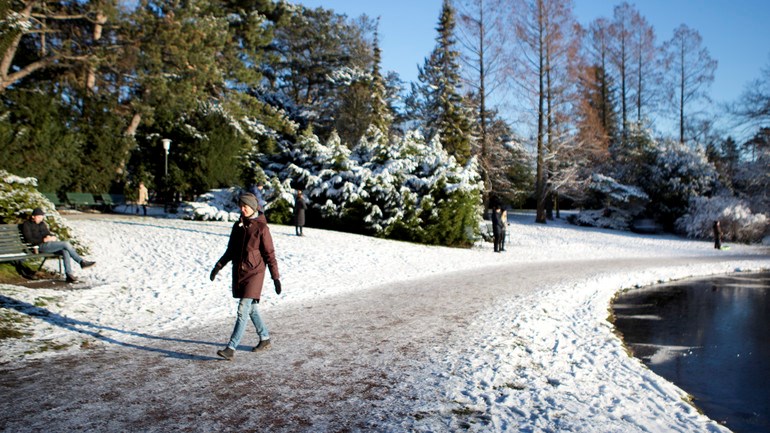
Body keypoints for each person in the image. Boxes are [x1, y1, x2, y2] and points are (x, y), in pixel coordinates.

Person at [209, 193, 281, 361]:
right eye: (240, 206)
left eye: (245, 206)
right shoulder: (238, 226)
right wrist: (217, 267)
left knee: (243, 309)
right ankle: (265, 338)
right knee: (252, 309)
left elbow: (270, 255)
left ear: (253, 207)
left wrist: (275, 278)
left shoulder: (262, 228)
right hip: (241, 272)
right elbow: (230, 251)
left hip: (255, 273)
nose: (242, 209)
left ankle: (231, 348)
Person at [21, 208, 95, 283]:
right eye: (39, 217)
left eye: (42, 217)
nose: (41, 219)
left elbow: (47, 233)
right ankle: (81, 262)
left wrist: (51, 237)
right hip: (38, 247)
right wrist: (43, 240)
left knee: (65, 251)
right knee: (65, 244)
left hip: (47, 244)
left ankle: (69, 275)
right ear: (33, 216)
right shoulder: (26, 225)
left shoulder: (42, 224)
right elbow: (29, 239)